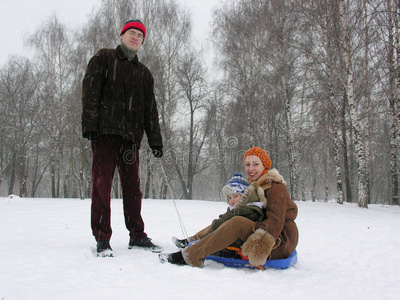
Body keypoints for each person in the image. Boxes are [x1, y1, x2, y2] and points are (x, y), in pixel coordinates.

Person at [81, 19, 163, 257]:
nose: (135, 38)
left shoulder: (144, 74)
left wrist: (155, 140)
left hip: (130, 139)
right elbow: (90, 91)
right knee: (102, 186)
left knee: (132, 188)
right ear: (122, 35)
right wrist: (90, 124)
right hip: (105, 134)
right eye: (132, 33)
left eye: (140, 35)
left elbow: (150, 110)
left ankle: (137, 235)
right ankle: (102, 238)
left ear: (142, 42)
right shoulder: (104, 59)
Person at [160, 147, 298, 267]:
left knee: (237, 223)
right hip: (264, 231)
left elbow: (275, 221)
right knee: (230, 220)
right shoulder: (256, 186)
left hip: (279, 240)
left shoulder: (275, 186)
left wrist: (255, 247)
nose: (250, 168)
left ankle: (191, 257)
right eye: (247, 164)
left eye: (255, 164)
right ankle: (198, 246)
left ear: (264, 166)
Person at [172, 172, 265, 249]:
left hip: (241, 240)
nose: (231, 200)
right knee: (214, 225)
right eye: (229, 197)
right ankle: (191, 240)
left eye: (235, 196)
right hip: (233, 236)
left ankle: (198, 243)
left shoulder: (249, 209)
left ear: (244, 196)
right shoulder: (236, 208)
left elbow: (224, 222)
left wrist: (216, 225)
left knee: (216, 225)